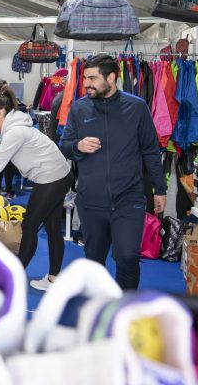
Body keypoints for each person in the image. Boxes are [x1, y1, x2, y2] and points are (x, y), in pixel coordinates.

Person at [60, 54, 167, 290]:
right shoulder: (79, 108)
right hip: (91, 200)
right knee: (94, 262)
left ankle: (124, 309)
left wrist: (160, 189)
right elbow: (64, 145)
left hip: (129, 198)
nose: (86, 83)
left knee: (127, 256)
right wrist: (78, 146)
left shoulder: (137, 107)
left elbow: (150, 151)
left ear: (111, 77)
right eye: (85, 77)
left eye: (92, 78)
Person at [0, 88, 74, 291]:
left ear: (3, 112)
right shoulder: (15, 127)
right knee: (51, 227)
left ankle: (12, 278)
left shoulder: (14, 132)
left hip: (52, 178)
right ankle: (53, 279)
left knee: (30, 226)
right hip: (59, 175)